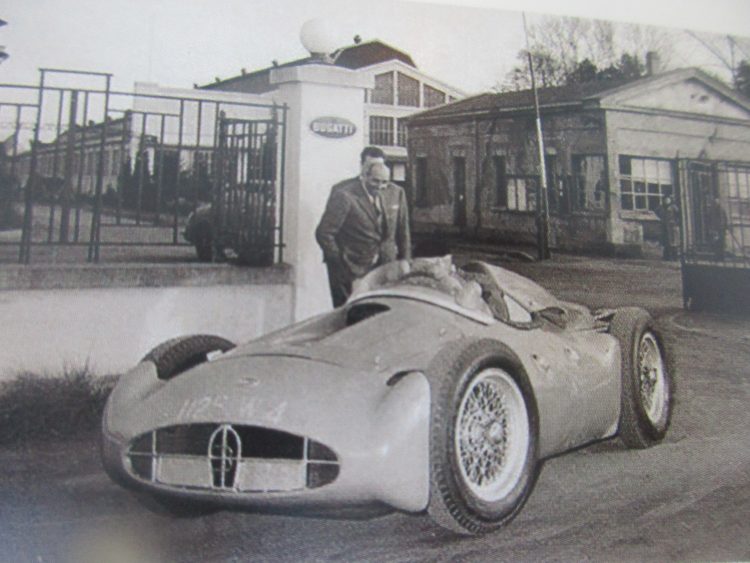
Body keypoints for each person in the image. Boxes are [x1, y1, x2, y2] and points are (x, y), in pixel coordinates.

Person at [316, 159, 411, 307]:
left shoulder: (396, 193)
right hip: (353, 269)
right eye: (375, 181)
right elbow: (324, 233)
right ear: (364, 176)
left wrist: (405, 262)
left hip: (385, 268)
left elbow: (403, 232)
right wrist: (341, 263)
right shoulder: (345, 195)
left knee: (379, 311)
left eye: (384, 182)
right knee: (353, 311)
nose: (380, 186)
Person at [655, 195, 680, 261]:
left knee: (673, 243)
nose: (666, 201)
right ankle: (666, 257)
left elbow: (678, 215)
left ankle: (675, 257)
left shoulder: (673, 207)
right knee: (665, 242)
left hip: (672, 227)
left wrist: (676, 222)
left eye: (667, 199)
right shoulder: (661, 207)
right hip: (664, 226)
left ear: (670, 200)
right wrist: (661, 219)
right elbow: (656, 212)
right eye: (665, 199)